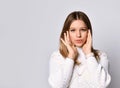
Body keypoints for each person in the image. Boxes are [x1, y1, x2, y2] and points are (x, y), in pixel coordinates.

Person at [48, 11, 111, 88]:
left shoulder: (101, 56)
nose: (78, 35)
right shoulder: (57, 56)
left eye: (83, 29)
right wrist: (70, 57)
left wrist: (89, 55)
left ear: (89, 32)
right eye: (73, 30)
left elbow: (101, 85)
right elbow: (58, 86)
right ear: (66, 33)